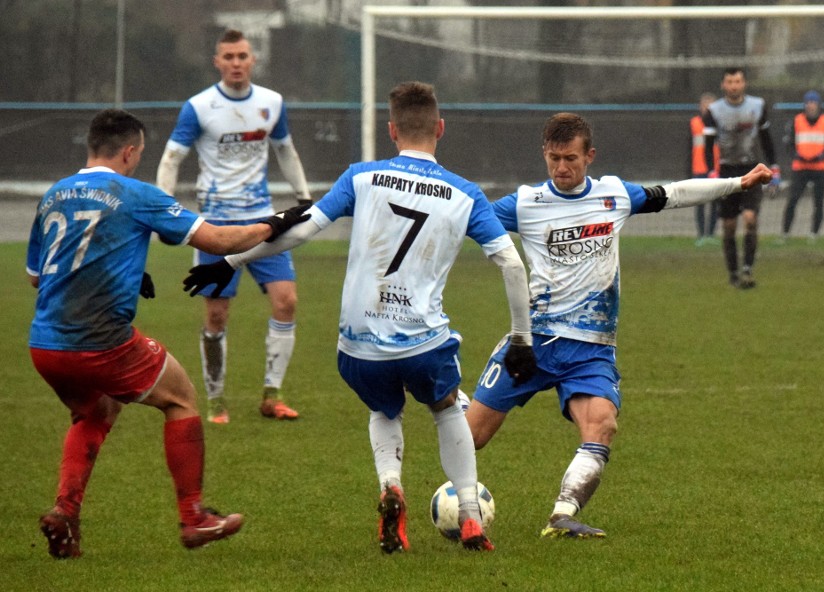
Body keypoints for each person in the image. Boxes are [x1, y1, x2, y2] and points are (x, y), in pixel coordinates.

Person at [183, 81, 538, 553]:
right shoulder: (465, 194)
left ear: (391, 130)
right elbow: (512, 264)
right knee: (448, 406)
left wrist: (227, 262)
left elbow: (297, 231)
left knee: (383, 408)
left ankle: (391, 486)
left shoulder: (361, 177)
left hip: (357, 344)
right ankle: (471, 517)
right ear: (441, 128)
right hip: (422, 340)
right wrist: (521, 338)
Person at [464, 113, 771, 540]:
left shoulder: (614, 195)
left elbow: (676, 193)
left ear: (589, 156)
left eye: (570, 158)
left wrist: (737, 184)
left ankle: (563, 515)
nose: (561, 168)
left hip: (591, 349)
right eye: (553, 158)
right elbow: (466, 219)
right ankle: (450, 398)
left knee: (602, 424)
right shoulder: (524, 203)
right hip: (534, 342)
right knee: (471, 438)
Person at [26, 109, 310, 558]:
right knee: (179, 398)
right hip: (100, 340)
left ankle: (65, 514)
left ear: (91, 146)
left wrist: (121, 274)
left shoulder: (54, 195)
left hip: (45, 345)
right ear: (130, 150)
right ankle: (194, 517)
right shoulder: (136, 193)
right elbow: (218, 241)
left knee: (95, 413)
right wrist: (275, 223)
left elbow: (38, 277)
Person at [156, 29, 313, 424]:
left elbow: (285, 151)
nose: (237, 63)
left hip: (263, 222)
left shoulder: (271, 103)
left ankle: (272, 395)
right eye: (229, 57)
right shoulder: (198, 106)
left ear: (252, 59)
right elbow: (172, 158)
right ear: (217, 61)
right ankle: (216, 399)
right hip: (216, 227)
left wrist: (304, 197)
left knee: (287, 301)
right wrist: (163, 209)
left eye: (242, 55)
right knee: (217, 315)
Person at [703, 67, 779, 289]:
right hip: (727, 171)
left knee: (750, 219)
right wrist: (711, 171)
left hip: (752, 170)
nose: (734, 85)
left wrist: (774, 166)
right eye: (730, 81)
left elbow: (766, 138)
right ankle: (733, 273)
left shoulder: (757, 106)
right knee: (728, 226)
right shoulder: (714, 111)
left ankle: (747, 269)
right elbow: (709, 146)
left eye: (737, 81)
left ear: (744, 83)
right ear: (723, 85)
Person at [780, 90, 824, 243]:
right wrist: (796, 155)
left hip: (820, 168)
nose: (811, 106)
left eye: (814, 102)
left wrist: (823, 155)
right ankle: (785, 233)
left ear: (818, 104)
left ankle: (814, 233)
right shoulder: (797, 121)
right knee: (792, 200)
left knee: (819, 202)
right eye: (808, 102)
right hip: (801, 168)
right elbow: (789, 145)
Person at [690, 92, 720, 245]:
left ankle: (711, 234)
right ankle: (701, 235)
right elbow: (689, 148)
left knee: (715, 204)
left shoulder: (720, 123)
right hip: (699, 169)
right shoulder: (694, 123)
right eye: (705, 105)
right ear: (700, 107)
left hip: (715, 170)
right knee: (700, 204)